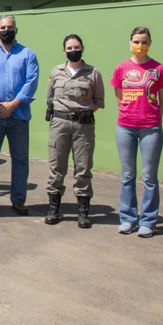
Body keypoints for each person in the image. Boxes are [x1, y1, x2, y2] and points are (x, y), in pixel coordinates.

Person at [111, 27, 163, 238]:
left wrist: (150, 117)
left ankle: (148, 221)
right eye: (137, 41)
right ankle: (128, 218)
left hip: (151, 129)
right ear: (130, 42)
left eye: (144, 41)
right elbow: (120, 98)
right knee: (127, 175)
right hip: (125, 127)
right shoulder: (121, 68)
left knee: (149, 177)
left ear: (150, 43)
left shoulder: (159, 69)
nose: (140, 45)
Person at [0, 15, 39, 215]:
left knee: (20, 160)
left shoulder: (28, 55)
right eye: (3, 27)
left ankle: (18, 200)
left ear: (16, 30)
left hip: (18, 116)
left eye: (10, 27)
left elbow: (31, 82)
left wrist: (12, 105)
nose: (6, 30)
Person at [45, 34, 105, 228]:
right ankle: (54, 209)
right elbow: (50, 97)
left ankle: (83, 212)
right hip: (59, 125)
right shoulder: (56, 72)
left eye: (76, 47)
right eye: (69, 48)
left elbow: (98, 101)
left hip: (83, 126)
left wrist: (84, 113)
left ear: (82, 48)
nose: (73, 50)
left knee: (83, 168)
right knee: (56, 167)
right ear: (64, 51)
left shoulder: (93, 72)